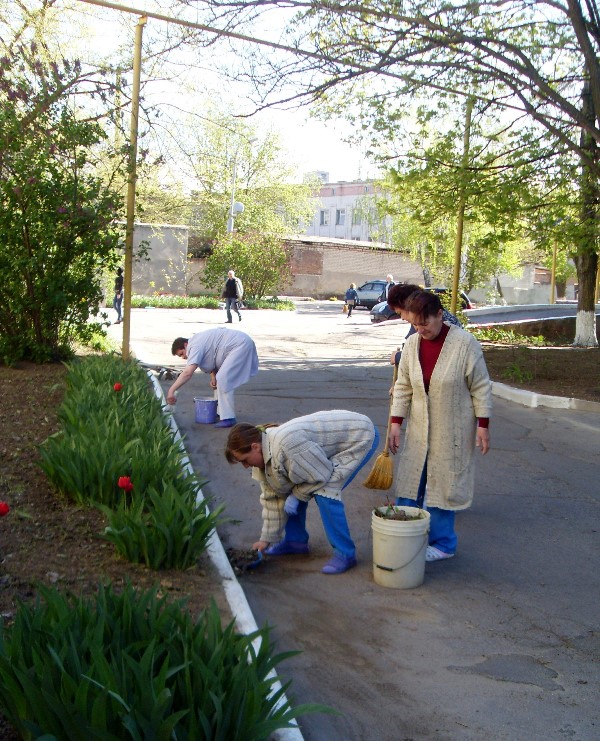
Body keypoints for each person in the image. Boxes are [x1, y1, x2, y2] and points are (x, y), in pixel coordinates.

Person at [387, 291, 492, 562]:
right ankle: (404, 535)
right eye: (415, 324)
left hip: (453, 429)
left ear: (439, 315)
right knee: (411, 482)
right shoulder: (412, 344)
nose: (420, 330)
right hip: (420, 428)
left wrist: (483, 424)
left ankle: (444, 544)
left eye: (425, 323)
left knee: (443, 486)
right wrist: (396, 422)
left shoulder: (464, 343)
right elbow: (404, 385)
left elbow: (480, 386)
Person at [225, 411, 379, 574]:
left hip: (358, 436)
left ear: (255, 447)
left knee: (325, 492)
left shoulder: (287, 445)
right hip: (326, 450)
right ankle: (295, 541)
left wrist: (297, 496)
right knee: (286, 488)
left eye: (244, 460)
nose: (245, 466)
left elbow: (320, 475)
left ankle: (345, 554)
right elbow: (273, 498)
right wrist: (266, 539)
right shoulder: (263, 461)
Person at [167, 328, 258, 428]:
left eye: (182, 354)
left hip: (240, 345)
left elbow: (188, 373)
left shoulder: (194, 346)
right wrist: (213, 377)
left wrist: (171, 390)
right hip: (238, 344)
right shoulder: (197, 342)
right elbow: (211, 360)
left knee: (223, 378)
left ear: (185, 345)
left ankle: (228, 418)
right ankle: (220, 412)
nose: (183, 357)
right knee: (219, 379)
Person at [387, 284, 462, 365]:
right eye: (416, 325)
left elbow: (431, 355)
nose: (402, 318)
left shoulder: (441, 325)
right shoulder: (435, 316)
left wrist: (399, 357)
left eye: (400, 313)